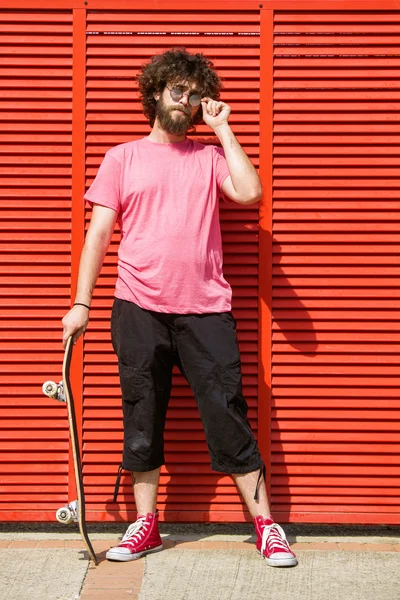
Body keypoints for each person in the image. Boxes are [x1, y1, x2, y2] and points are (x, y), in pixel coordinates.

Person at [61, 48, 297, 568]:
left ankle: (265, 525)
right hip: (137, 308)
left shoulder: (210, 157)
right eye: (177, 90)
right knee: (141, 415)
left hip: (205, 310)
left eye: (194, 94)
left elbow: (251, 192)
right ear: (155, 93)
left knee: (226, 411)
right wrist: (81, 303)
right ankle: (145, 525)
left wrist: (224, 128)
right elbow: (98, 233)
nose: (185, 100)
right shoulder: (122, 157)